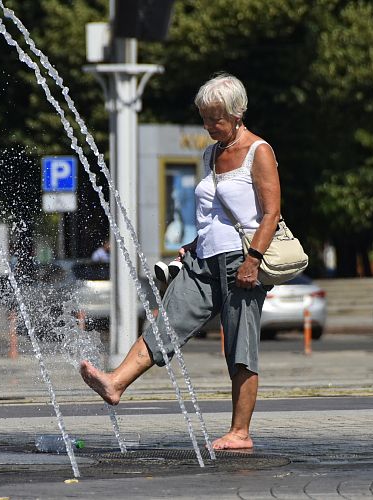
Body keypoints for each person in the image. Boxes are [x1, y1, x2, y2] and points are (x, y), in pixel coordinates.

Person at [80, 73, 282, 450]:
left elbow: (270, 214)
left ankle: (240, 432)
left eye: (215, 119)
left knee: (240, 345)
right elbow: (213, 215)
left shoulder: (259, 152)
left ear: (238, 114)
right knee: (166, 321)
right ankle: (115, 383)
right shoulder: (211, 154)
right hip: (203, 260)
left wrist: (253, 260)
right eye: (204, 118)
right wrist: (193, 243)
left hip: (243, 261)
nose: (208, 126)